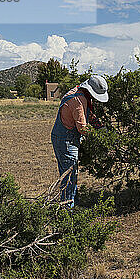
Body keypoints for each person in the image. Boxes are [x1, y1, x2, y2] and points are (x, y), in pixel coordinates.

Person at [51, 75, 108, 208]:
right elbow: (82, 128)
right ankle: (67, 210)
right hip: (66, 140)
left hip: (64, 137)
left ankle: (72, 203)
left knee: (70, 173)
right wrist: (99, 137)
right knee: (69, 175)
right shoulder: (78, 99)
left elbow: (87, 114)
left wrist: (100, 126)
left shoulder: (79, 92)